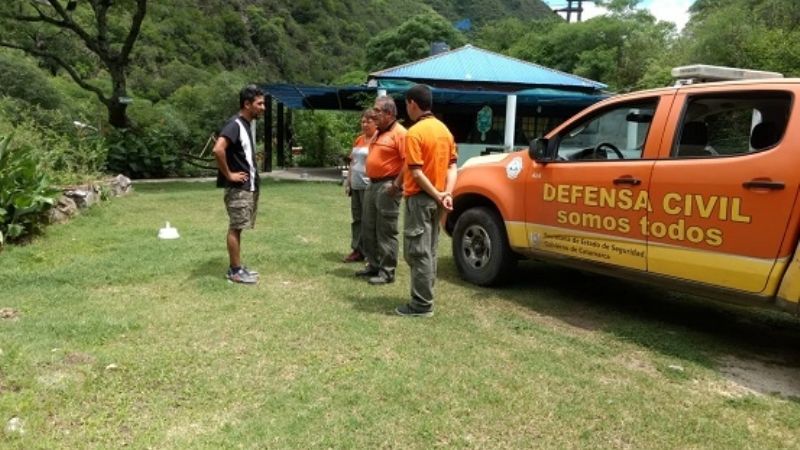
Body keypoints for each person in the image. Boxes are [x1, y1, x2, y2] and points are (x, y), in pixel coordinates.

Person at [395, 84, 457, 317]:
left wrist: (436, 194)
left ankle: (421, 304)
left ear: (412, 103)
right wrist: (446, 194)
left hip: (421, 199)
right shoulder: (445, 131)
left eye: (406, 105)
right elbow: (453, 166)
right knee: (429, 249)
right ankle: (425, 296)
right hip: (438, 198)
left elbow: (417, 173)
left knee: (417, 251)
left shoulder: (415, 133)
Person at [212, 84, 266, 284]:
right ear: (247, 104)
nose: (263, 107)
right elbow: (218, 149)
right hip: (238, 188)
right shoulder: (234, 124)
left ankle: (237, 266)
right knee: (235, 227)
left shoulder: (245, 124)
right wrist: (229, 175)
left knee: (239, 227)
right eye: (259, 104)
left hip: (248, 187)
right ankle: (234, 271)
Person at [357, 96, 406, 285]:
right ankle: (373, 265)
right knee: (368, 227)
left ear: (389, 113)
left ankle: (387, 271)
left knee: (386, 230)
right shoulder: (379, 132)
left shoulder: (400, 133)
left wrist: (396, 185)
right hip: (373, 184)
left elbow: (408, 162)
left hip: (388, 185)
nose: (374, 114)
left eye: (377, 111)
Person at [343, 109, 378, 262]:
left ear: (375, 122)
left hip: (368, 186)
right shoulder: (359, 139)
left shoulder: (378, 140)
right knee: (357, 218)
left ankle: (371, 253)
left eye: (368, 121)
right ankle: (357, 250)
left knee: (369, 220)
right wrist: (348, 181)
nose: (364, 124)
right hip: (356, 185)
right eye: (362, 121)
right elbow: (353, 162)